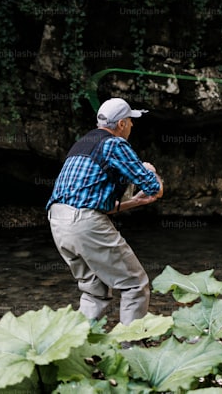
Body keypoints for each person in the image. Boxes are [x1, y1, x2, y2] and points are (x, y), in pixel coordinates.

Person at [46, 97, 164, 325]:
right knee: (135, 284)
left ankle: (80, 348)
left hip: (58, 222)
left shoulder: (82, 143)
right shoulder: (114, 144)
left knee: (94, 291)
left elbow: (94, 203)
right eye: (130, 120)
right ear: (121, 124)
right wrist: (150, 171)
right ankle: (131, 349)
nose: (132, 125)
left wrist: (134, 203)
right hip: (83, 222)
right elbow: (154, 189)